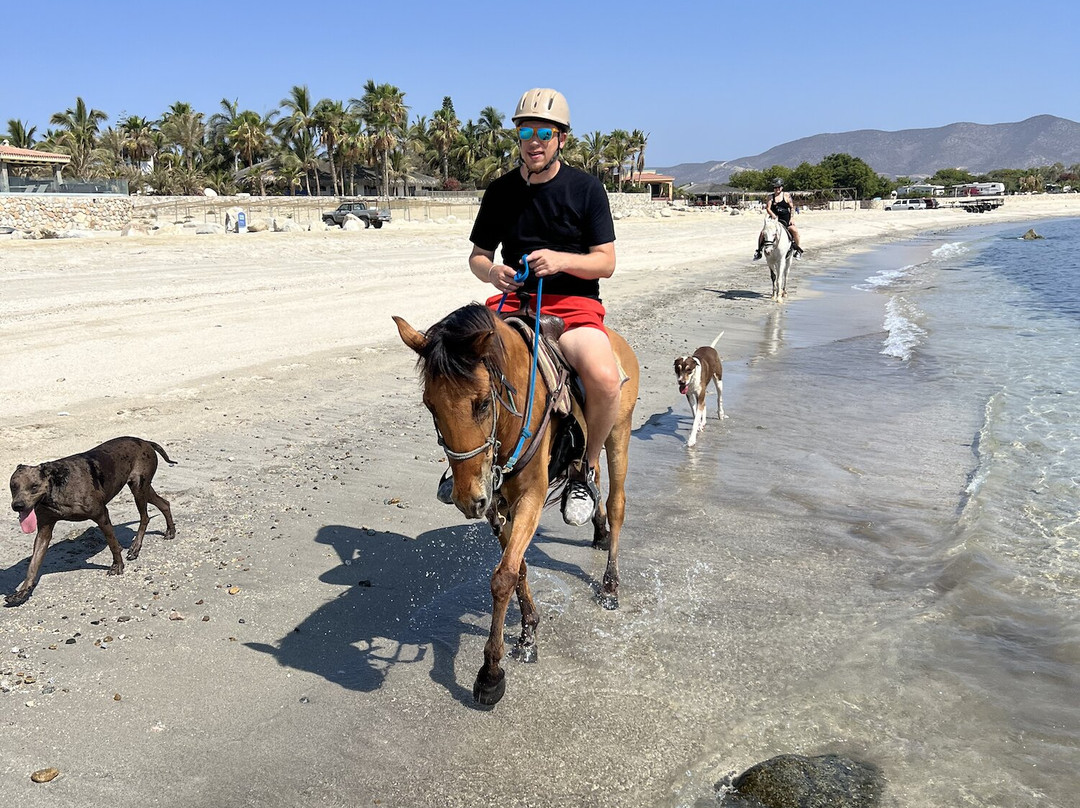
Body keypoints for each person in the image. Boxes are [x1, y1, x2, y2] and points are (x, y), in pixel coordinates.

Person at [462, 87, 621, 527]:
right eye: (526, 131)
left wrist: (562, 259)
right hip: (514, 300)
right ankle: (467, 463)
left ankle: (584, 470)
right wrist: (491, 272)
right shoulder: (499, 192)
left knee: (606, 380)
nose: (534, 141)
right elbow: (478, 257)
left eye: (544, 133)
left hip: (573, 304)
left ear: (562, 139)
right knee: (459, 367)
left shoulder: (587, 190)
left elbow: (605, 262)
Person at [754, 177, 803, 260]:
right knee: (763, 233)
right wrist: (773, 215)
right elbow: (768, 208)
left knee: (794, 230)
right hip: (774, 220)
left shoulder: (786, 195)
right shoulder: (770, 197)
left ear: (781, 187)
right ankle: (759, 251)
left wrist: (792, 218)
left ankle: (797, 250)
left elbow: (791, 207)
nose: (776, 189)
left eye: (778, 187)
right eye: (775, 187)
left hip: (785, 219)